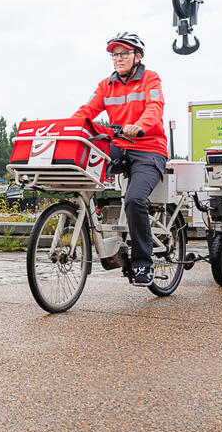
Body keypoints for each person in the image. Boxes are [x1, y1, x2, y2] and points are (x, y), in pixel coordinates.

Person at [72, 31, 169, 286]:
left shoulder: (150, 78)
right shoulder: (107, 85)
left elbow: (154, 107)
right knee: (81, 164)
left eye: (124, 53)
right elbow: (86, 112)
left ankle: (142, 264)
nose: (118, 58)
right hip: (119, 146)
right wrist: (68, 129)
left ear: (137, 56)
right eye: (115, 55)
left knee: (135, 199)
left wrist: (139, 125)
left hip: (149, 147)